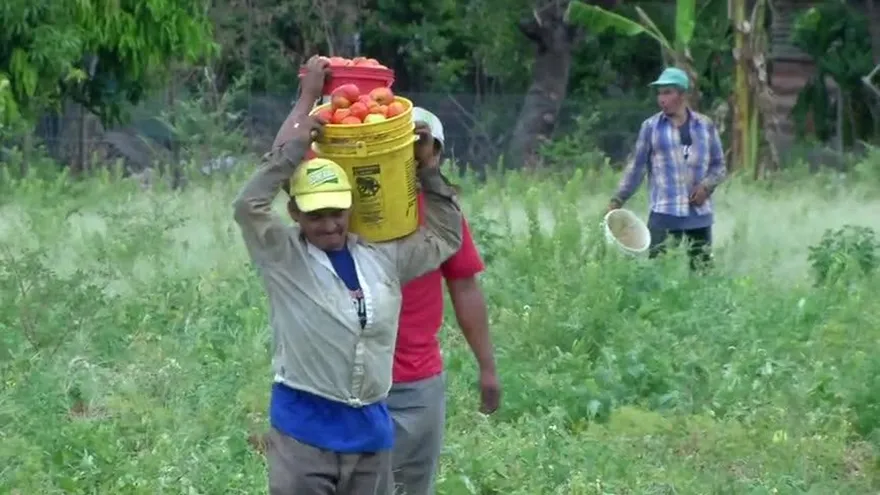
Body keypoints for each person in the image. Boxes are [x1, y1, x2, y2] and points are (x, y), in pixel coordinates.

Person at [232, 56, 464, 495]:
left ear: (350, 208)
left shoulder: (381, 257)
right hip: (304, 432)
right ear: (295, 213)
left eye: (337, 212)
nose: (329, 224)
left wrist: (429, 171)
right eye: (315, 215)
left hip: (370, 434)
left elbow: (443, 238)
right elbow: (248, 206)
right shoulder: (283, 258)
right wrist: (300, 127)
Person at [380, 107, 501, 495]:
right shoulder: (350, 207)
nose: (413, 156)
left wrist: (487, 367)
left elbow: (465, 288)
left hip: (415, 381)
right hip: (353, 378)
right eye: (403, 147)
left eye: (422, 147)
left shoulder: (441, 215)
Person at [607, 67, 727, 271]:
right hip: (664, 211)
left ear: (683, 95)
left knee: (702, 272)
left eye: (667, 92)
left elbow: (719, 166)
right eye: (659, 93)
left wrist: (706, 187)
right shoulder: (651, 127)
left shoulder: (705, 126)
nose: (661, 99)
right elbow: (636, 167)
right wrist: (618, 198)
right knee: (657, 270)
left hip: (698, 215)